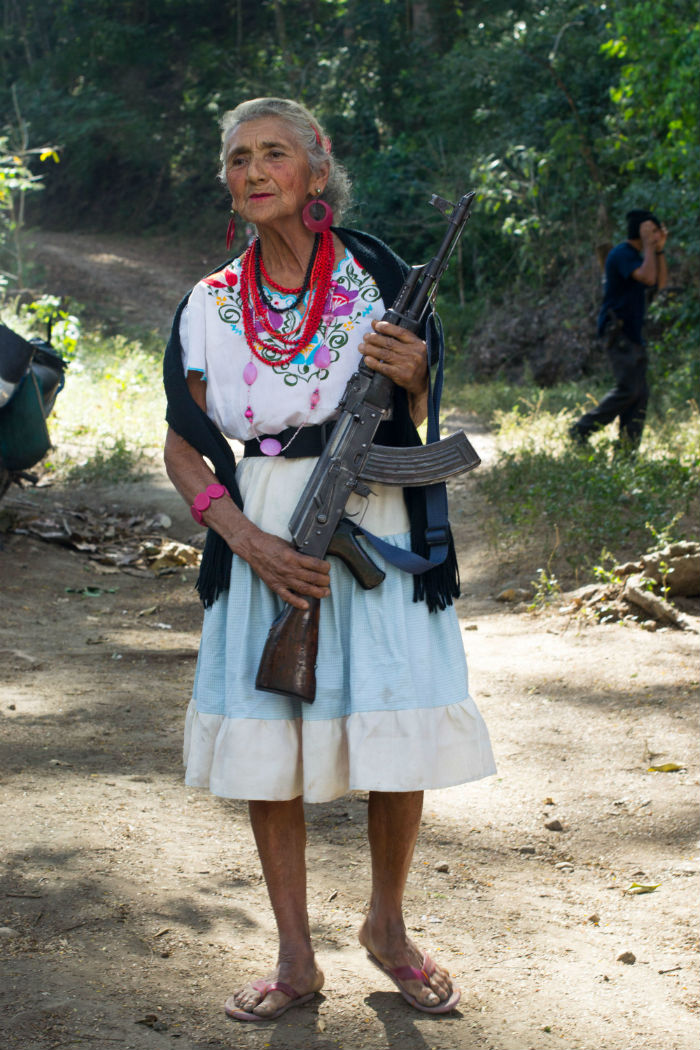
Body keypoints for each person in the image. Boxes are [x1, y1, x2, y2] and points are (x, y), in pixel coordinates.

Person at [163, 97, 495, 1023]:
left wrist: (418, 372)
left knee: (395, 730)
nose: (255, 170)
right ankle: (296, 957)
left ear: (317, 171)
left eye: (276, 154)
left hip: (376, 518)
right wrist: (248, 541)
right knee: (269, 748)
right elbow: (184, 446)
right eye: (239, 158)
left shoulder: (379, 272)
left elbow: (424, 400)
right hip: (264, 525)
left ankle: (386, 929)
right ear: (228, 181)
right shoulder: (208, 302)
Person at [569, 209, 668, 448]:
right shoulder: (622, 254)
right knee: (629, 389)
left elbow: (659, 283)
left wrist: (659, 249)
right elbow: (646, 277)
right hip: (618, 332)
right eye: (653, 230)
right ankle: (581, 430)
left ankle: (626, 453)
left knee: (640, 394)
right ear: (641, 231)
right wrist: (648, 245)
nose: (657, 234)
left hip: (633, 334)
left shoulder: (641, 255)